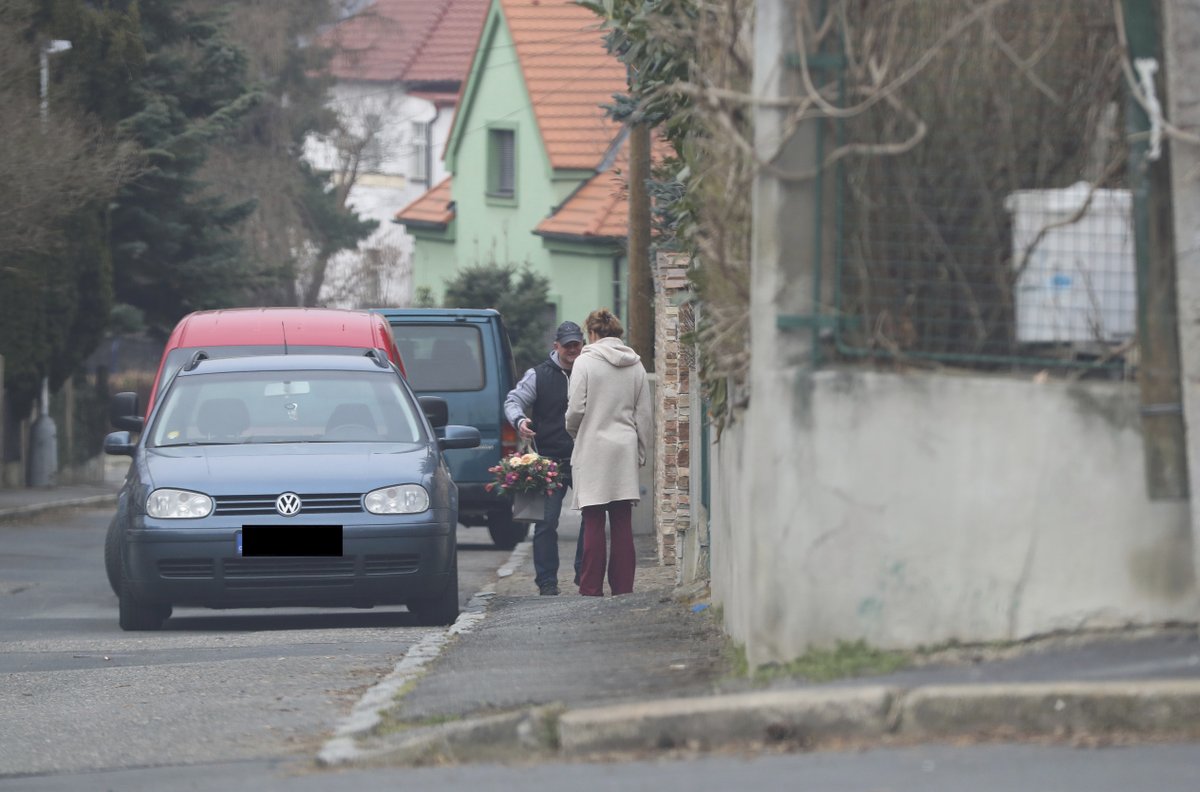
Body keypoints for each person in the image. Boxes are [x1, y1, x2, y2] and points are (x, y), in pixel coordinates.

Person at [565, 308, 651, 597]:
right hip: (624, 447)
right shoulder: (635, 365)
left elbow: (575, 410)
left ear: (591, 333)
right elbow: (644, 416)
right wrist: (641, 450)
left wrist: (575, 431)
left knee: (592, 520)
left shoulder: (584, 363)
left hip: (593, 446)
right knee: (622, 520)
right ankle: (623, 587)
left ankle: (590, 587)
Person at [504, 320, 586, 595]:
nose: (573, 350)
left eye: (577, 344)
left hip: (584, 456)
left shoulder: (589, 371)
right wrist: (519, 421)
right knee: (545, 522)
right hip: (548, 460)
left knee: (593, 517)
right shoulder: (538, 374)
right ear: (556, 347)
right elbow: (513, 400)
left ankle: (584, 574)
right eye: (568, 345)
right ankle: (547, 582)